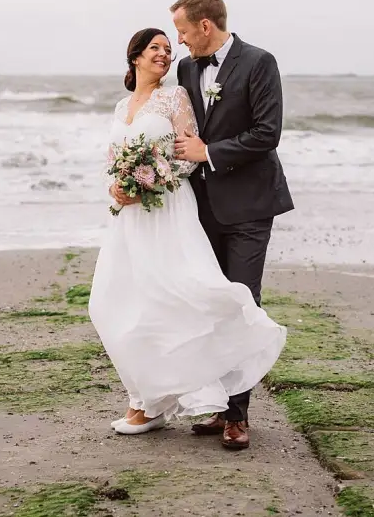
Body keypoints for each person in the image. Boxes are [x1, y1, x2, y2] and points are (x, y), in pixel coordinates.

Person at [87, 27, 286, 450]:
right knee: (116, 302)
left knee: (182, 296)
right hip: (130, 220)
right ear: (135, 57)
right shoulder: (122, 105)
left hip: (168, 211)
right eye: (156, 47)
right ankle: (148, 399)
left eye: (169, 45)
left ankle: (221, 409)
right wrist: (118, 188)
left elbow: (188, 155)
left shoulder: (175, 96)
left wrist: (152, 180)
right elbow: (112, 163)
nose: (167, 52)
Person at [171, 0, 295, 450]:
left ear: (206, 26)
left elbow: (267, 133)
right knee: (208, 304)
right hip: (201, 208)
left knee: (242, 302)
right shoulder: (186, 68)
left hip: (249, 206)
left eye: (183, 31)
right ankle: (216, 403)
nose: (180, 41)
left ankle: (237, 417)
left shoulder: (260, 62)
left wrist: (210, 152)